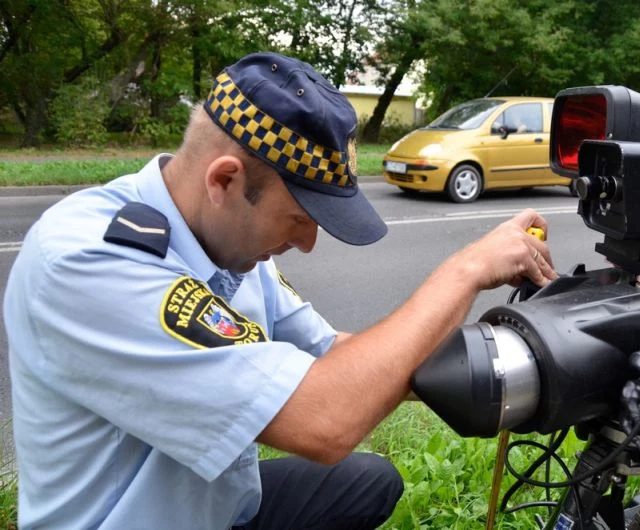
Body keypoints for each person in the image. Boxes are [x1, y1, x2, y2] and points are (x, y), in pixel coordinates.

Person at [3, 51, 557, 529]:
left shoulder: (228, 243)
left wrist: (512, 365)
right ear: (224, 181)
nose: (309, 244)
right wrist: (464, 271)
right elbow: (327, 421)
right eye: (298, 217)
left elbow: (333, 352)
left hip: (219, 509)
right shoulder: (89, 262)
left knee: (369, 481)